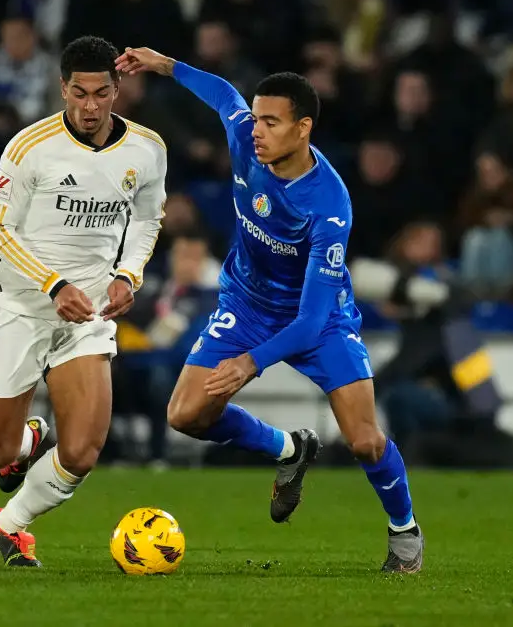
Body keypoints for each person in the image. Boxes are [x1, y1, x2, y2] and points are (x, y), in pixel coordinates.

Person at [116, 46, 423, 573]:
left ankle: (404, 533)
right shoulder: (244, 138)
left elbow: (308, 321)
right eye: (256, 119)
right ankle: (289, 450)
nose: (255, 130)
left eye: (271, 122)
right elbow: (223, 96)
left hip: (318, 318)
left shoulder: (328, 204)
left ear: (303, 129)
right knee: (185, 414)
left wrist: (249, 362)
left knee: (366, 441)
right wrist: (164, 65)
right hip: (246, 302)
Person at [0, 35, 167, 567]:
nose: (90, 106)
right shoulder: (29, 147)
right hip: (16, 302)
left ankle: (9, 525)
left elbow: (149, 217)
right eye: (78, 93)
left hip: (90, 311)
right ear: (63, 89)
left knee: (82, 450)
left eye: (101, 93)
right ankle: (27, 438)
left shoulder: (147, 150)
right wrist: (53, 285)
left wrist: (129, 274)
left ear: (117, 88)